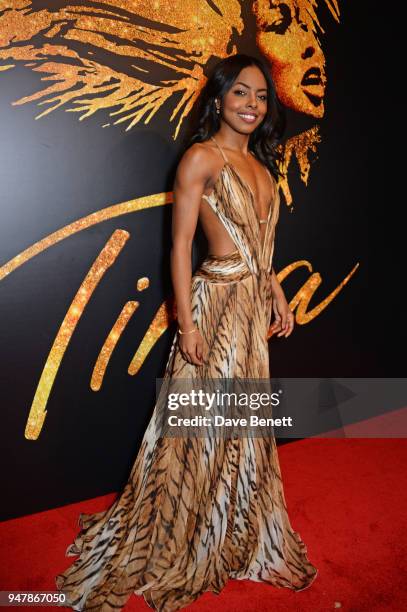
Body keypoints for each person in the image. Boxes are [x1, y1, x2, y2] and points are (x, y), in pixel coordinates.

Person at [55, 53, 318, 612]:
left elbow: (263, 252)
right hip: (216, 305)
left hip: (250, 313)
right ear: (219, 98)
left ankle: (230, 527)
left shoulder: (265, 170)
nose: (251, 104)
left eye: (261, 96)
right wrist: (186, 319)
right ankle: (179, 533)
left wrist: (276, 295)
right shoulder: (201, 158)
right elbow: (180, 246)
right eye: (241, 93)